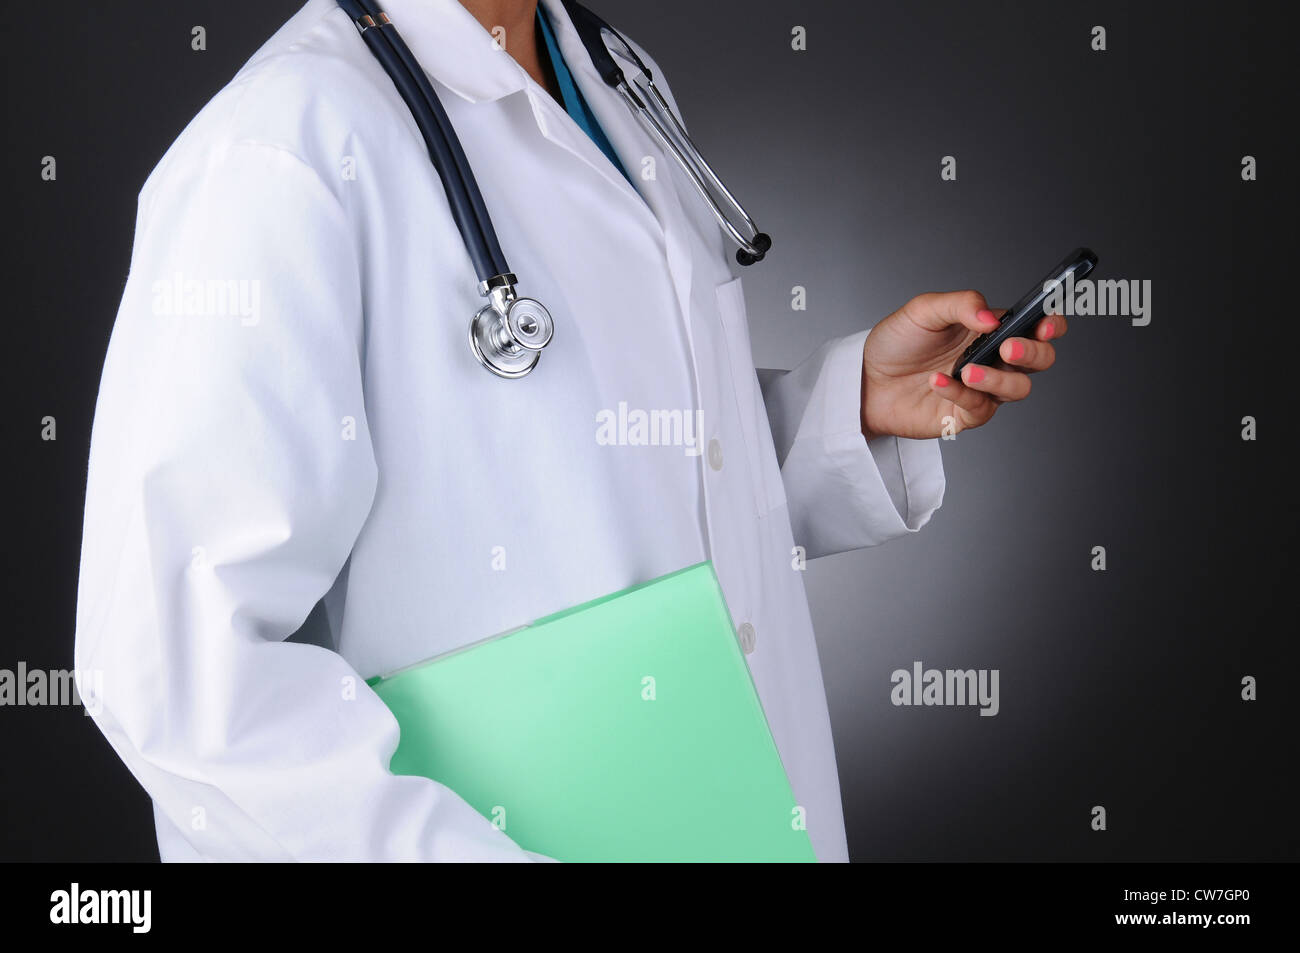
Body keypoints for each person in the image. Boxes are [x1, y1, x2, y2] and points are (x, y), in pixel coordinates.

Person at [74, 0, 1066, 862]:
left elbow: (618, 473)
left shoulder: (615, 79)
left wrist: (841, 412)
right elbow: (177, 672)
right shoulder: (283, 145)